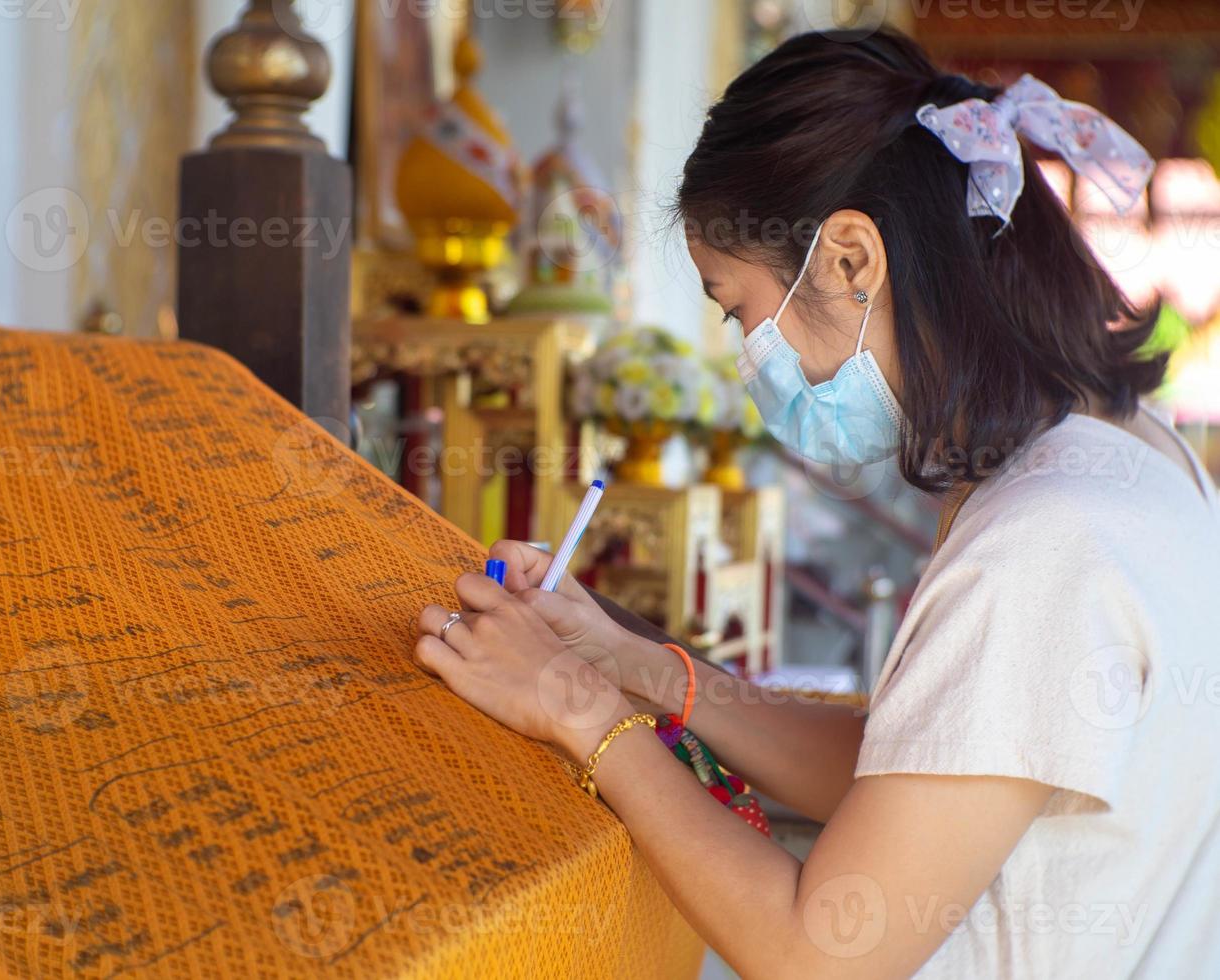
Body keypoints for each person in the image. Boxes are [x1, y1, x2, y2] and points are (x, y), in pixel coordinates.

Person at [413, 27, 1220, 979]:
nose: (744, 353)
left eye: (736, 310)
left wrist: (579, 709)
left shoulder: (1045, 541)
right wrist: (644, 669)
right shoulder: (1128, 450)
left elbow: (816, 954)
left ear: (847, 259)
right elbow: (918, 784)